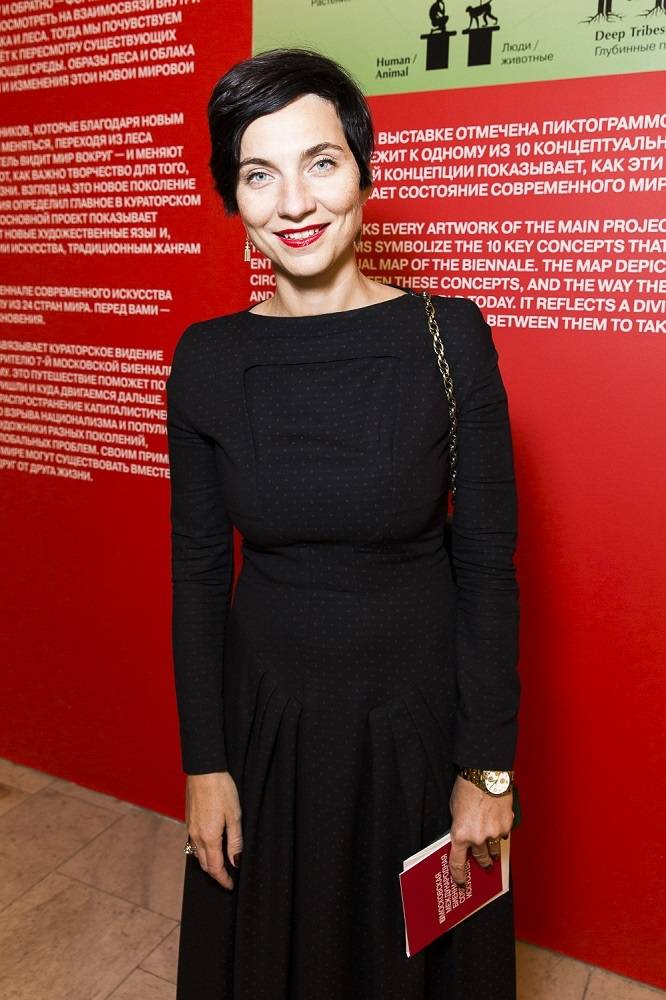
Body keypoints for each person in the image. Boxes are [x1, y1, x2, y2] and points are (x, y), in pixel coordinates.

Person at [166, 46, 521, 1000]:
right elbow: (198, 572)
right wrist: (206, 765)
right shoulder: (206, 360)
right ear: (232, 196)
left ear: (363, 170)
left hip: (416, 731)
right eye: (259, 173)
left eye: (320, 162)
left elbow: (488, 566)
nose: (295, 203)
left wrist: (487, 769)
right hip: (268, 735)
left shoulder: (451, 337)